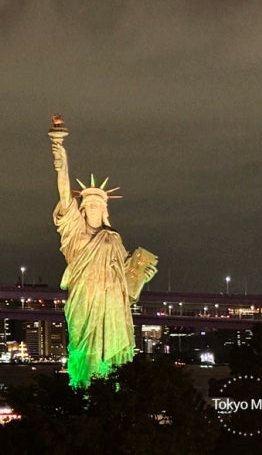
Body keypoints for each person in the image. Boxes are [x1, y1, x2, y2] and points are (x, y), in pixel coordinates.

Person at [50, 117, 156, 387]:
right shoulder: (75, 233)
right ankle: (83, 393)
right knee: (84, 354)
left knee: (112, 361)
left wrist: (142, 277)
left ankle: (112, 395)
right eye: (89, 205)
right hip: (84, 302)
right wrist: (59, 151)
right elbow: (64, 193)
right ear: (83, 208)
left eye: (98, 205)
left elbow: (126, 282)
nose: (94, 209)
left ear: (104, 209)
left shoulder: (113, 238)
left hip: (112, 306)